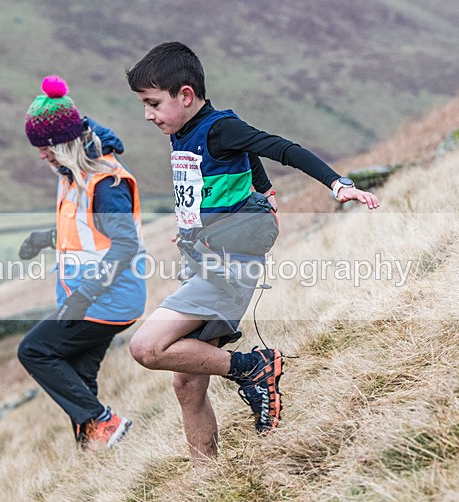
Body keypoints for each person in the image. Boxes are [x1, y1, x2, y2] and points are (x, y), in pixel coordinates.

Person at [126, 42, 379, 464]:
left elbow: (280, 147)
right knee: (187, 384)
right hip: (204, 261)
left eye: (153, 103)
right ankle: (206, 482)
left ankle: (255, 369)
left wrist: (339, 184)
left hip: (227, 269)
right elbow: (236, 167)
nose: (148, 114)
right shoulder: (183, 131)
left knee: (146, 347)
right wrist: (257, 194)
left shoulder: (219, 127)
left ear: (185, 95)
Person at [17, 75, 146, 449]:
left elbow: (124, 245)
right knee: (77, 376)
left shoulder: (105, 183)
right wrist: (45, 239)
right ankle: (92, 450)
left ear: (63, 142)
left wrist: (84, 295)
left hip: (105, 301)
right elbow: (85, 232)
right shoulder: (74, 174)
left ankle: (104, 423)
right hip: (94, 299)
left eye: (45, 146)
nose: (41, 154)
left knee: (35, 350)